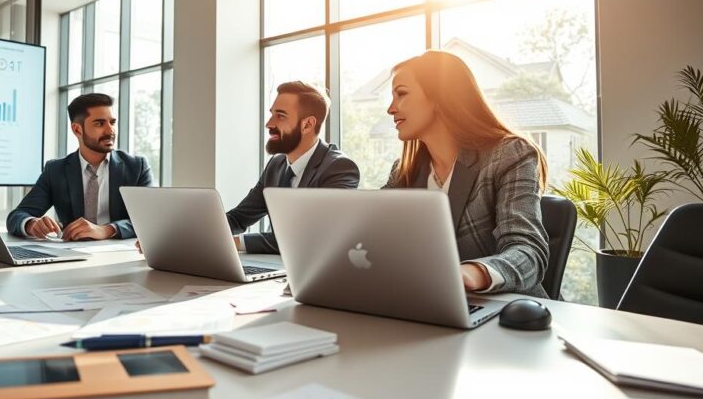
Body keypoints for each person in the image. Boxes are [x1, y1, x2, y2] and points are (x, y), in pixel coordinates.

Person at [383, 50, 550, 297]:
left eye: (402, 94)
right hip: (427, 306)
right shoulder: (404, 171)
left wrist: (471, 273)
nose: (390, 109)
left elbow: (528, 252)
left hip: (506, 312)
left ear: (439, 97)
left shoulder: (509, 155)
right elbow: (373, 239)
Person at [226, 81, 360, 254]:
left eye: (280, 116)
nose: (269, 124)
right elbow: (239, 218)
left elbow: (311, 237)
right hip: (280, 267)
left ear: (307, 125)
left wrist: (236, 243)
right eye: (271, 114)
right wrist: (200, 232)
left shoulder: (339, 168)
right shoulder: (276, 165)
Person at [7, 93, 153, 241]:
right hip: (71, 254)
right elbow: (17, 216)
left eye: (112, 122)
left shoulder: (137, 167)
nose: (110, 131)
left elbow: (149, 218)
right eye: (99, 123)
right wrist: (31, 224)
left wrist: (106, 230)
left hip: (122, 255)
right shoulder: (55, 170)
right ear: (77, 129)